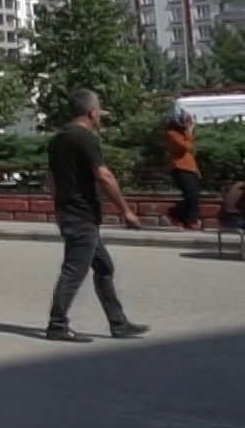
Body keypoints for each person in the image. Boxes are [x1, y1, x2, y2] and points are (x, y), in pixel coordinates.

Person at [45, 88, 150, 343]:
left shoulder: (58, 140)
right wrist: (126, 211)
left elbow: (52, 179)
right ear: (92, 112)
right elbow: (104, 175)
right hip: (82, 215)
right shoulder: (85, 139)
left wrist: (59, 207)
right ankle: (57, 325)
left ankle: (118, 323)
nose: (100, 115)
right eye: (99, 110)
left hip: (71, 212)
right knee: (74, 270)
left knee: (103, 267)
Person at [165, 110, 201, 231]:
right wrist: (189, 132)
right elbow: (187, 146)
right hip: (179, 167)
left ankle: (177, 214)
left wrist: (196, 169)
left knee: (193, 195)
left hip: (191, 168)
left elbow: (191, 151)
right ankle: (191, 220)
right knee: (190, 195)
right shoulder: (172, 134)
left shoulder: (185, 134)